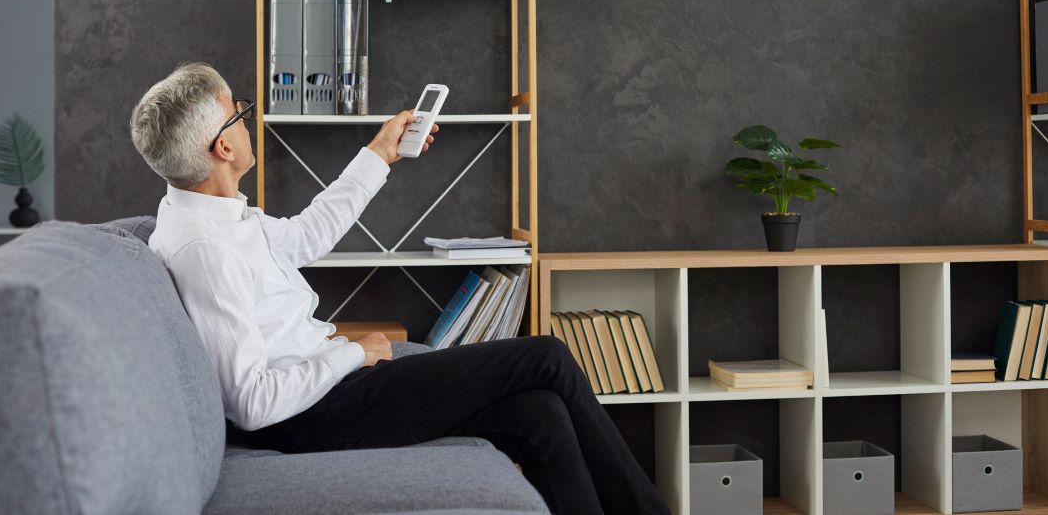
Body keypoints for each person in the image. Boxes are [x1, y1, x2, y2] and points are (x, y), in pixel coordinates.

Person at [129, 62, 669, 515]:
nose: (251, 122)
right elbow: (251, 402)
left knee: (540, 414)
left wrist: (380, 153)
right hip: (312, 413)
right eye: (240, 113)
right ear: (224, 146)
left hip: (327, 390)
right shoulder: (206, 250)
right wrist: (350, 355)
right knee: (546, 356)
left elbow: (303, 237)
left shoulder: (216, 215)